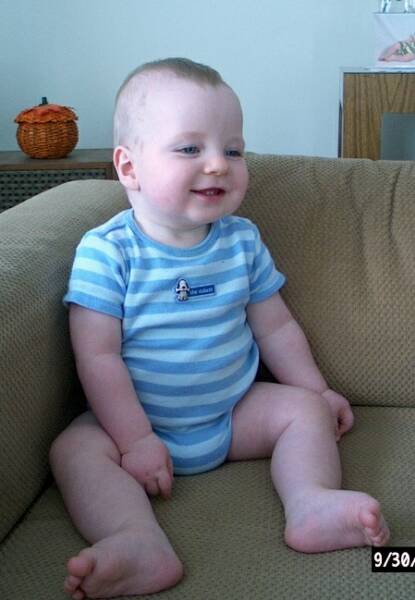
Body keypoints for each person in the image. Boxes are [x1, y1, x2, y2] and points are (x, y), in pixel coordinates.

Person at [50, 57, 390, 599]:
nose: (217, 165)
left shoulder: (242, 240)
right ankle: (136, 539)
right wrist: (135, 440)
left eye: (233, 150)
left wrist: (317, 390)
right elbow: (97, 357)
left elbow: (276, 328)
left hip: (233, 414)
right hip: (134, 425)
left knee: (304, 410)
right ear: (129, 167)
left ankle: (311, 503)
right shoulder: (107, 252)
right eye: (190, 149)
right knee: (73, 450)